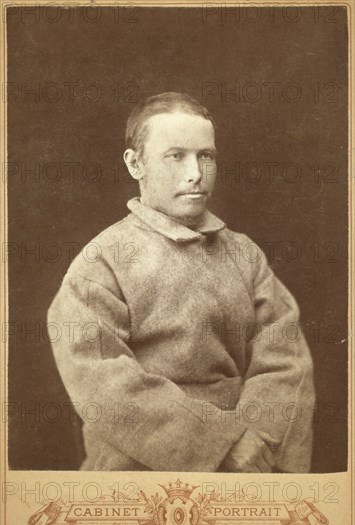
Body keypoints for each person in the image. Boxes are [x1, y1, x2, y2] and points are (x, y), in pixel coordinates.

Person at [48, 92, 315, 473]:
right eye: (175, 156)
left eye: (205, 156)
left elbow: (284, 362)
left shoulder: (245, 254)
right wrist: (219, 446)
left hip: (254, 464)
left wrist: (256, 443)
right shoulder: (100, 262)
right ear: (135, 164)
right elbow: (103, 383)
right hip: (139, 472)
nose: (195, 173)